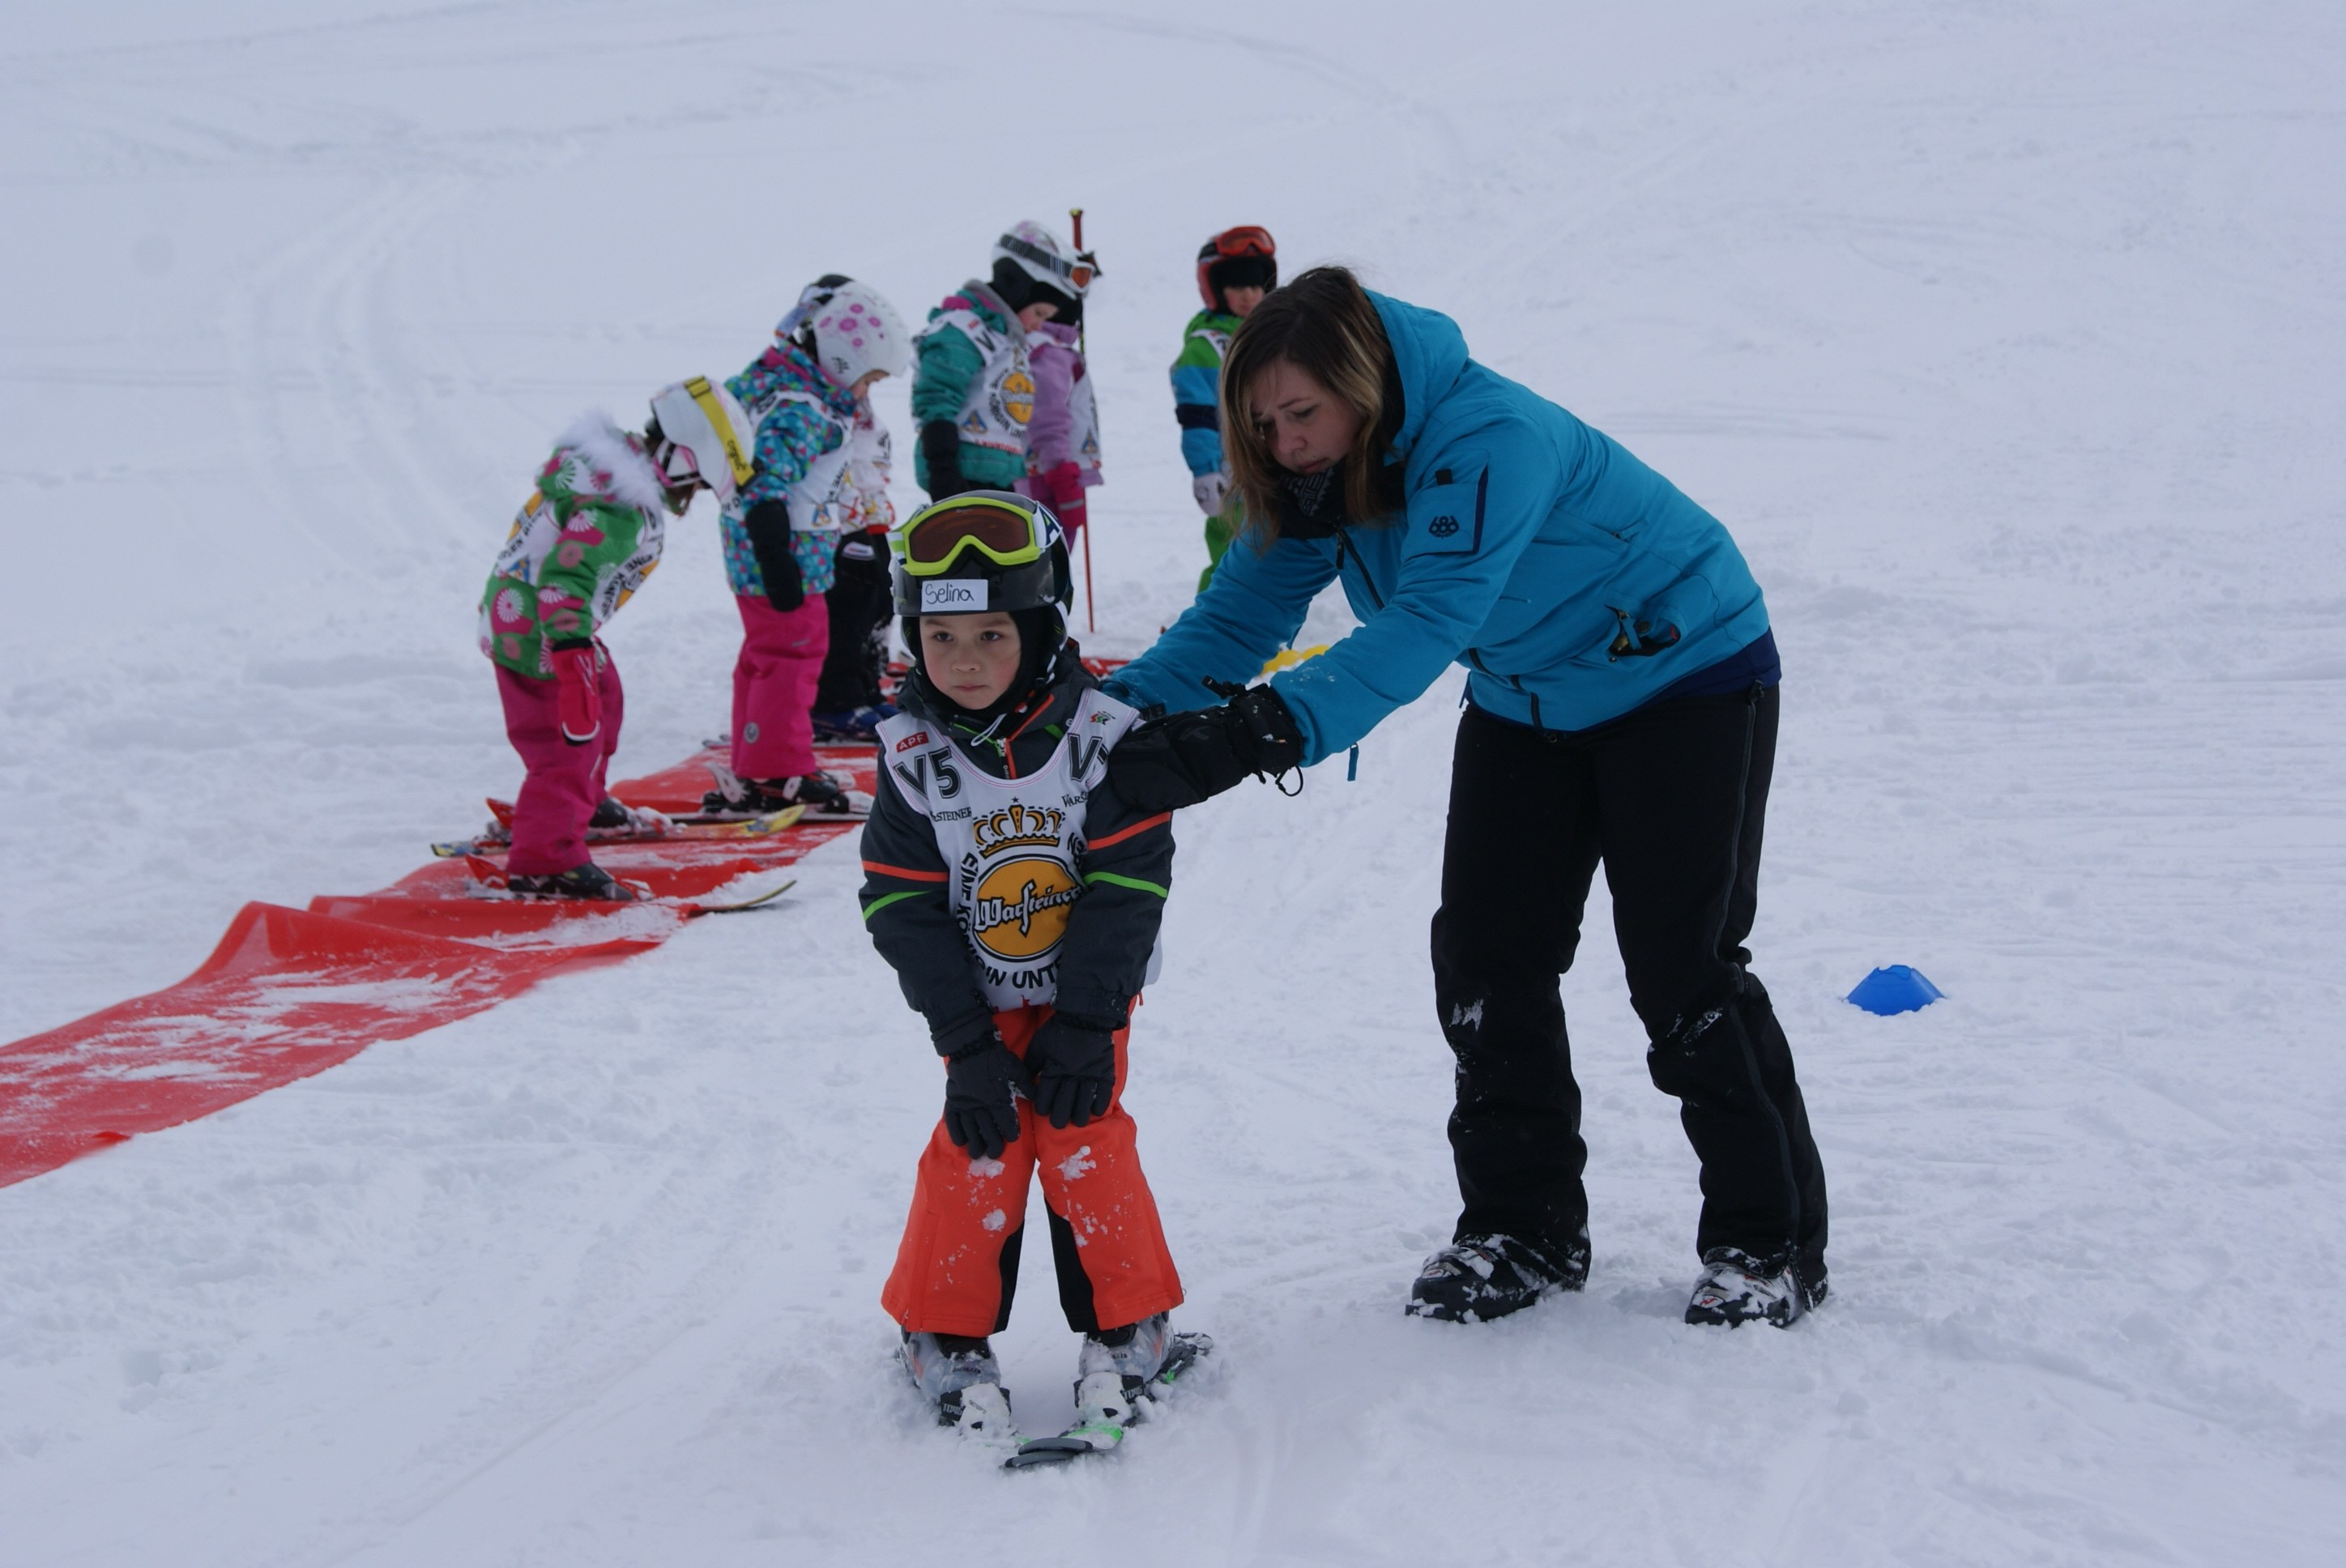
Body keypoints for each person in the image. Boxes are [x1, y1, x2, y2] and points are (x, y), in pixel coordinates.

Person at [1103, 266, 1828, 1328]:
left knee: (1683, 967)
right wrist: (1102, 721)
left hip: (1684, 675)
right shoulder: (1319, 475)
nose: (1286, 442)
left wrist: (1253, 734)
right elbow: (1235, 620)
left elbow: (1425, 623)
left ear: (1364, 386)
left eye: (1302, 412)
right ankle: (1523, 1226)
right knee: (1488, 960)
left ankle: (1769, 1242)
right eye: (1262, 424)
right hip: (1527, 694)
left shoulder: (1488, 439)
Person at [860, 490, 1205, 1448]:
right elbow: (898, 905)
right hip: (980, 1003)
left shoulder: (1100, 737)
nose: (964, 661)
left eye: (991, 636)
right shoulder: (911, 758)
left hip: (1084, 995)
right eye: (940, 638)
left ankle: (1130, 1322)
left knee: (1081, 1135)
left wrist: (1088, 1022)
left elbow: (1128, 885)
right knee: (981, 1146)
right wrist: (965, 1043)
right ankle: (941, 1328)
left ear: (1042, 631)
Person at [476, 378, 756, 899]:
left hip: (541, 621)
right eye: (696, 484)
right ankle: (545, 861)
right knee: (568, 743)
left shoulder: (608, 483)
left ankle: (587, 805)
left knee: (604, 700)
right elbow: (565, 579)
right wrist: (570, 652)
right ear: (680, 458)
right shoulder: (617, 509)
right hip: (540, 632)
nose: (689, 498)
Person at [702, 277, 906, 812]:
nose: (864, 392)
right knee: (792, 658)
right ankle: (779, 771)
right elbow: (766, 481)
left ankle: (756, 761)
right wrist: (776, 558)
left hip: (772, 556)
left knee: (765, 658)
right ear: (842, 360)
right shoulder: (804, 409)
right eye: (867, 379)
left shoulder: (782, 388)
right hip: (786, 559)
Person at [909, 222, 1090, 503]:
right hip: (960, 471)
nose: (1039, 325)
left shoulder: (1008, 342)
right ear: (1017, 289)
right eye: (1039, 313)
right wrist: (942, 466)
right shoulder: (966, 330)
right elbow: (938, 393)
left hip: (1001, 475)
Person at [1171, 226, 1276, 591]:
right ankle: (1212, 620)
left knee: (1278, 560)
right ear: (1215, 289)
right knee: (1233, 559)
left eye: (1256, 285)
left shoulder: (1274, 337)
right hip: (1233, 477)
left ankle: (1264, 622)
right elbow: (1197, 419)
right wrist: (1205, 472)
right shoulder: (1205, 349)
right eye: (1237, 285)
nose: (1249, 294)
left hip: (1276, 468)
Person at [1014, 247, 1103, 548]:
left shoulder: (1047, 348)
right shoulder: (1049, 352)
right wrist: (1062, 474)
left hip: (1049, 472)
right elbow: (1047, 415)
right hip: (1051, 476)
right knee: (1049, 556)